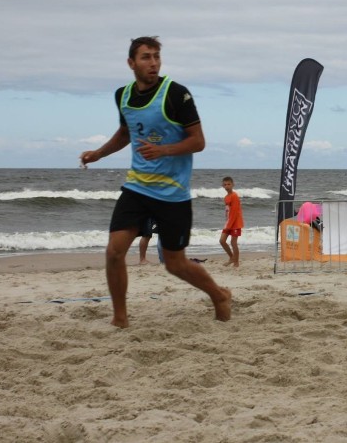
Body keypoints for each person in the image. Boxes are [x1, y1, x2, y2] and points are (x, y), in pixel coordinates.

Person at [80, 36, 231, 327]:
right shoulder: (122, 96)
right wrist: (99, 153)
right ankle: (120, 319)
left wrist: (164, 150)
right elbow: (126, 133)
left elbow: (198, 142)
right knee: (114, 252)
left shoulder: (176, 94)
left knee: (175, 264)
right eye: (146, 57)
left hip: (172, 193)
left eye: (156, 57)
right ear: (131, 63)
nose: (153, 63)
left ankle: (219, 294)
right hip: (137, 187)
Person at [219, 176, 244, 267]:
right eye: (225, 184)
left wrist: (229, 225)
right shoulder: (226, 197)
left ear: (233, 185)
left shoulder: (234, 196)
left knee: (233, 242)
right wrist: (227, 222)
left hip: (236, 223)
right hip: (228, 222)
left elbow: (234, 212)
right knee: (222, 241)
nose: (227, 186)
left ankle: (236, 263)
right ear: (223, 186)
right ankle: (232, 258)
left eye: (229, 184)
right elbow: (228, 211)